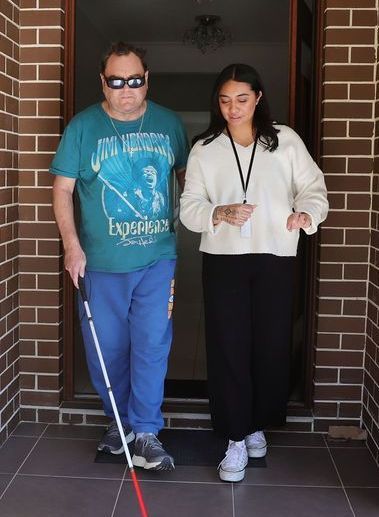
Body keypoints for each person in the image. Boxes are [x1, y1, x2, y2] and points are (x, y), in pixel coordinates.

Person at [180, 63, 328, 482]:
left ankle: (257, 423)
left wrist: (306, 214)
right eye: (225, 100)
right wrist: (218, 211)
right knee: (229, 346)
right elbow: (189, 207)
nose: (233, 108)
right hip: (224, 260)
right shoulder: (205, 148)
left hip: (276, 256)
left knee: (269, 344)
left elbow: (314, 189)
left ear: (258, 98)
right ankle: (234, 437)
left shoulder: (285, 142)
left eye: (242, 99)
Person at [51, 41, 189, 471]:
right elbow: (62, 189)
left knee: (151, 345)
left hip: (157, 258)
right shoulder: (82, 127)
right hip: (100, 262)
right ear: (103, 83)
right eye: (116, 81)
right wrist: (72, 246)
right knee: (106, 349)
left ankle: (146, 431)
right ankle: (118, 423)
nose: (126, 89)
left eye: (134, 80)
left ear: (146, 80)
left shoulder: (168, 124)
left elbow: (186, 179)